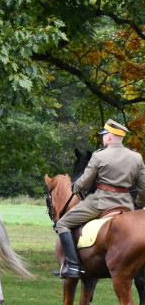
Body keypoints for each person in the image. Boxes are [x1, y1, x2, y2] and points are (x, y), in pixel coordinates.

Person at [54, 119, 145, 278]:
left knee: (62, 223)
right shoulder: (136, 157)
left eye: (104, 135)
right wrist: (138, 205)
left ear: (109, 137)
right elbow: (143, 187)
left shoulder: (99, 156)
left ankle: (73, 267)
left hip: (100, 203)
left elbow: (84, 182)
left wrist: (75, 188)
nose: (103, 138)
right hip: (126, 205)